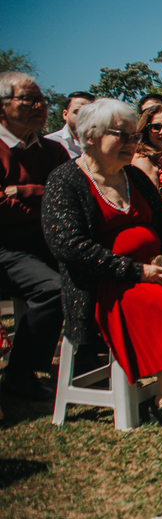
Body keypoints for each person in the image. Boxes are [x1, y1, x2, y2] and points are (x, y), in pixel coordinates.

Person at [42, 99, 162, 429]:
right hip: (107, 286)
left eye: (133, 136)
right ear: (90, 136)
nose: (131, 142)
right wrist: (138, 271)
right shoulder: (65, 181)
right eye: (121, 135)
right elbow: (69, 247)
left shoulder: (133, 176)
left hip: (155, 272)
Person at [0, 72, 69, 403]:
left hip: (49, 240)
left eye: (43, 100)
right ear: (2, 106)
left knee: (102, 269)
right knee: (52, 289)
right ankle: (19, 373)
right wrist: (47, 197)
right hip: (7, 248)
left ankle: (87, 356)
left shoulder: (52, 150)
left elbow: (70, 196)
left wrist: (25, 191)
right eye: (30, 99)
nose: (41, 106)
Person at [44, 91, 95, 158]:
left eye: (88, 113)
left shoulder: (102, 143)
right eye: (77, 112)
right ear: (65, 114)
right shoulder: (49, 143)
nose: (82, 117)